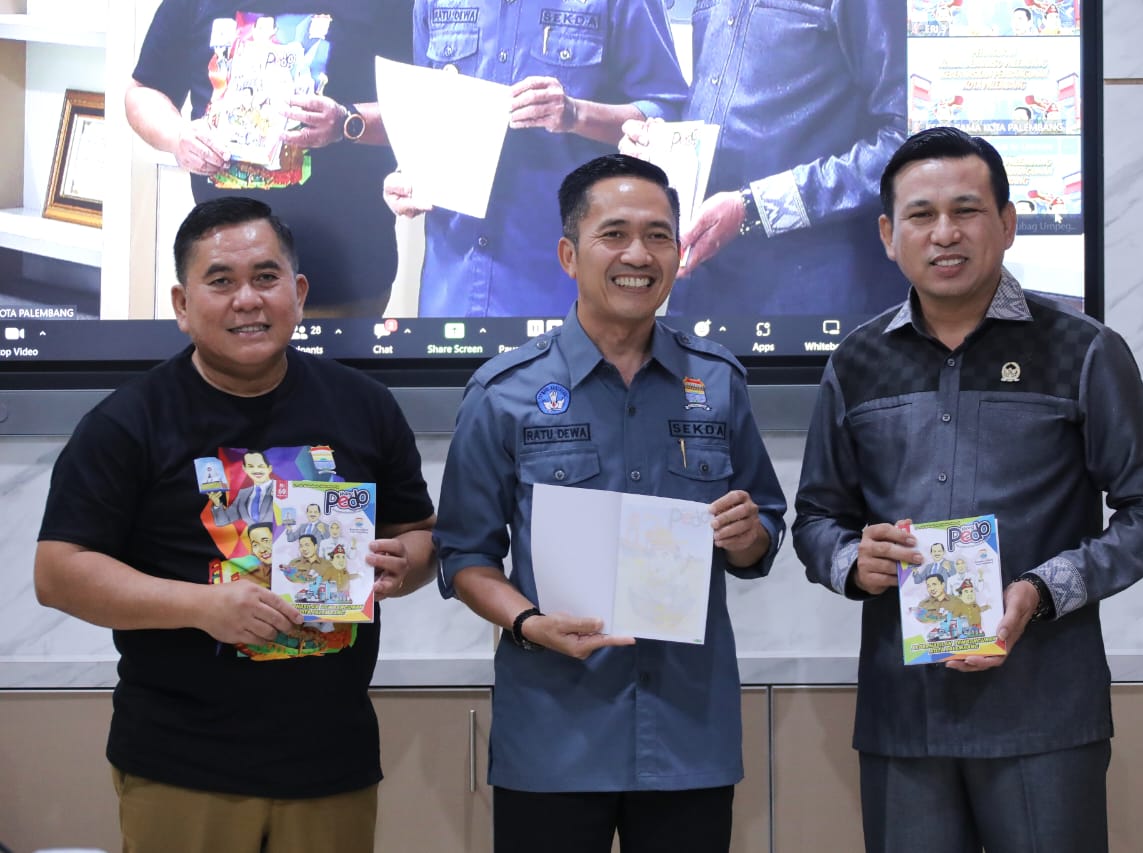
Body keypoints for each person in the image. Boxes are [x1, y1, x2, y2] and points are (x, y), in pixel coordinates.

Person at [791, 127, 1143, 853]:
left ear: (1007, 223)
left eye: (967, 210)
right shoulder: (856, 361)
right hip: (903, 717)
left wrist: (1041, 588)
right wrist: (852, 560)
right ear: (888, 235)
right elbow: (817, 515)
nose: (944, 233)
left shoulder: (1082, 347)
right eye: (921, 214)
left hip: (1045, 712)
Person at [33, 196, 438, 853]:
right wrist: (203, 607)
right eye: (221, 280)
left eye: (266, 277)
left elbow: (419, 531)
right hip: (182, 764)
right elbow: (59, 573)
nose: (247, 299)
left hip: (331, 761)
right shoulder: (127, 422)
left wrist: (406, 563)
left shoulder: (364, 405)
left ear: (298, 294)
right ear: (182, 304)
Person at [433, 154, 786, 852]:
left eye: (658, 236)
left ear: (679, 252)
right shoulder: (503, 391)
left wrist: (749, 535)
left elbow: (764, 529)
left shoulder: (718, 382)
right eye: (615, 233)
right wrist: (529, 622)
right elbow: (464, 554)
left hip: (688, 733)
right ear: (569, 254)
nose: (638, 255)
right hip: (553, 735)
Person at [383, 0, 687, 318]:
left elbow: (667, 111)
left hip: (566, 284)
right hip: (452, 287)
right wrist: (408, 170)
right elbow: (424, 110)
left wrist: (577, 114)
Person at [622, 0, 908, 318]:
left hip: (810, 286)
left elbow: (902, 142)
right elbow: (719, 106)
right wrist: (659, 146)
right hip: (702, 278)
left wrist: (755, 207)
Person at [125, 1, 412, 317]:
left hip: (342, 284)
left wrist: (348, 122)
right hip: (222, 278)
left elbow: (424, 109)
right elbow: (143, 91)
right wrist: (177, 135)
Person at [210, 448, 275, 526]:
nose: (256, 470)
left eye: (260, 466)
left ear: (269, 468)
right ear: (244, 469)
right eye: (251, 466)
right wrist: (217, 504)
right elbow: (223, 521)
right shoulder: (243, 494)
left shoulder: (281, 488)